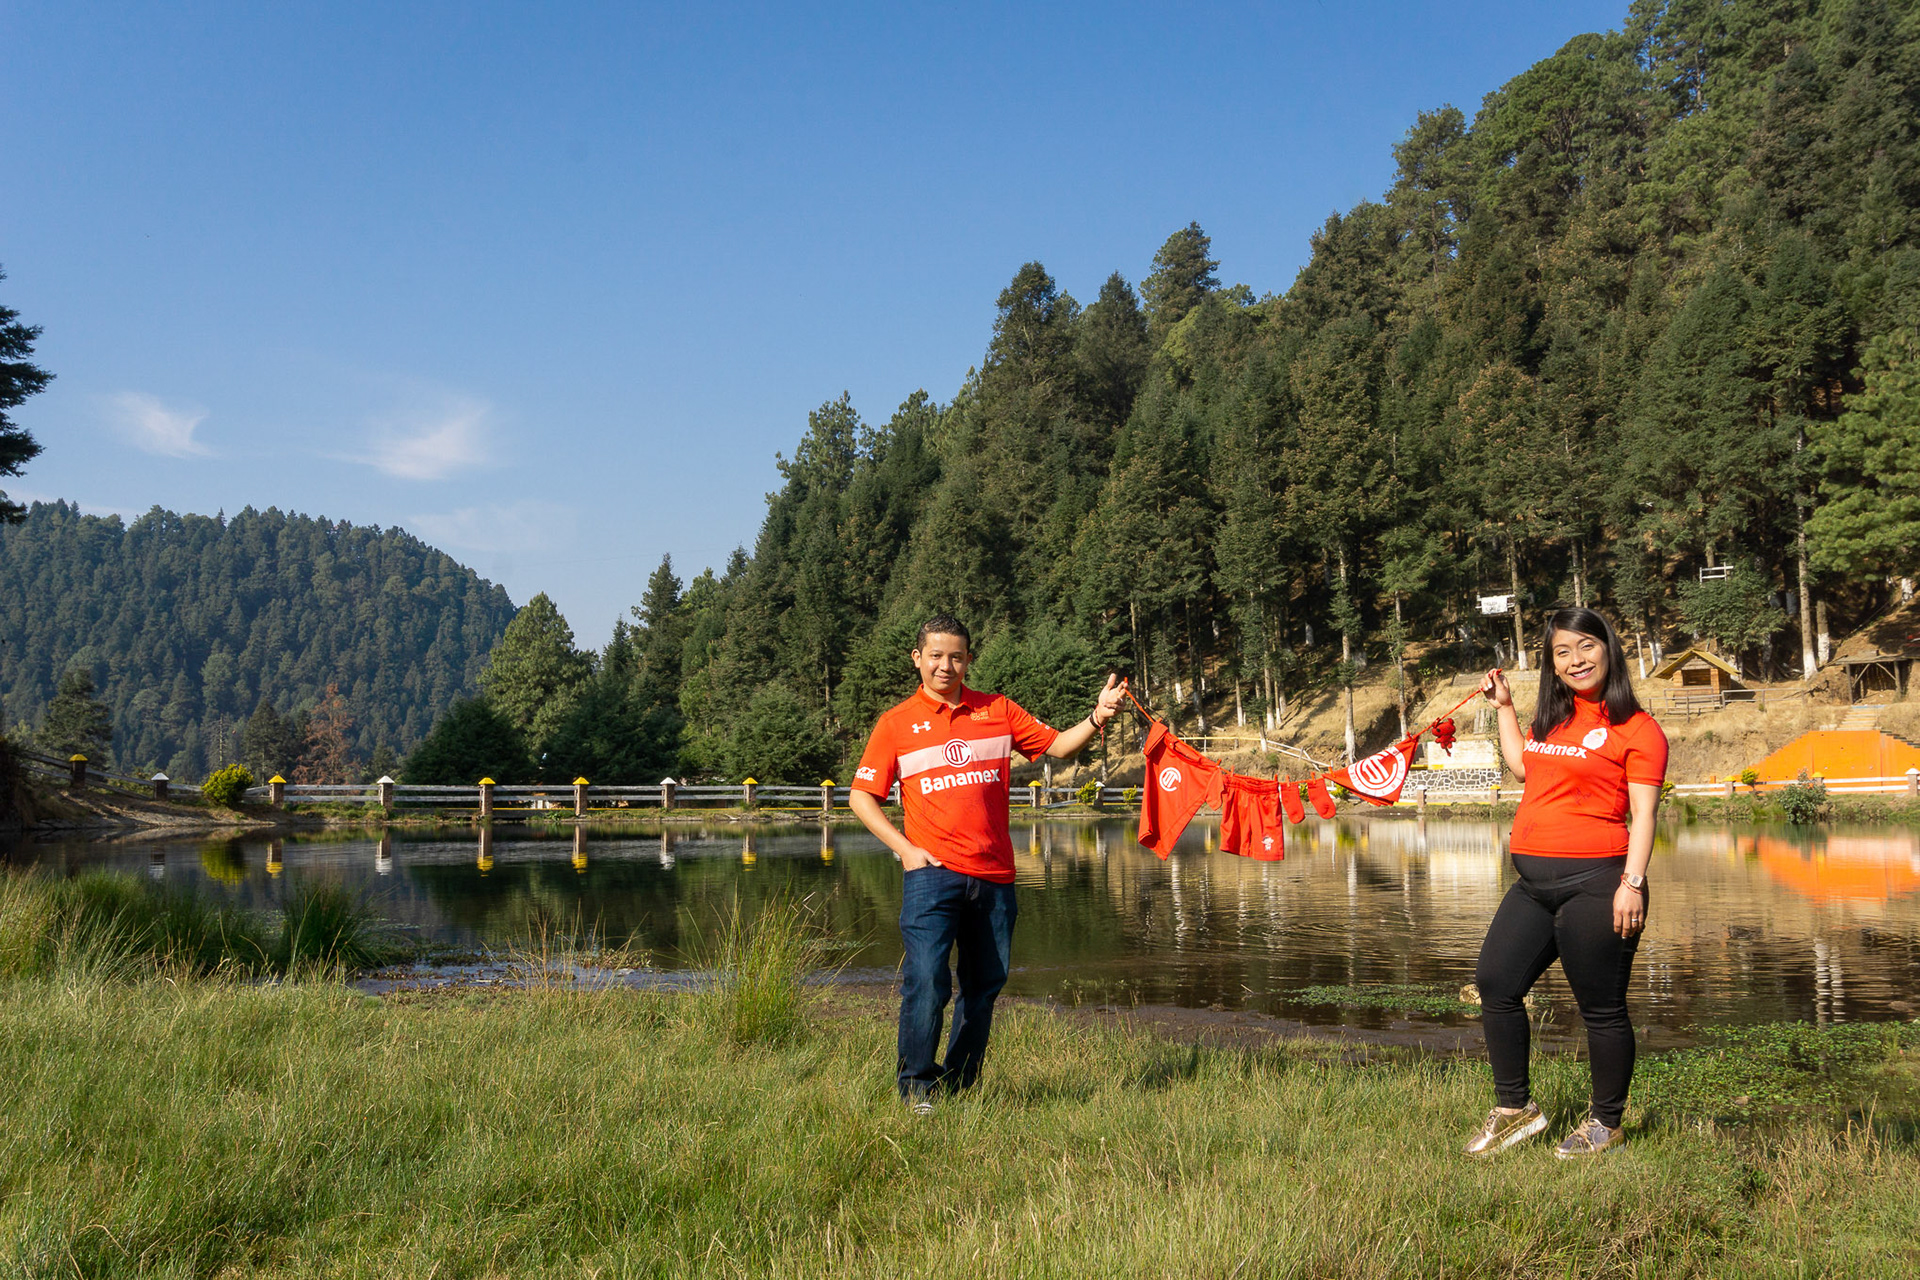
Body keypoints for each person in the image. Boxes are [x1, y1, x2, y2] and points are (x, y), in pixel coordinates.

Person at [848, 613, 1124, 1113]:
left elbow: (1057, 745)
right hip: (931, 874)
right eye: (935, 655)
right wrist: (905, 850)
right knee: (927, 981)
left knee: (982, 989)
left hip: (995, 876)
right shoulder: (895, 724)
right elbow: (861, 797)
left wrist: (1098, 715)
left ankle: (959, 1086)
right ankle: (916, 1089)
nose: (945, 666)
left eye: (956, 656)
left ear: (969, 659)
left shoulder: (998, 710)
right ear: (918, 658)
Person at [1465, 606, 1667, 1159]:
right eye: (1562, 652)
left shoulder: (1639, 729)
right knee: (1496, 982)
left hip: (1600, 883)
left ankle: (1607, 1124)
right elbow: (1524, 768)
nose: (1575, 660)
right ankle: (1515, 1109)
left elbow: (1645, 816)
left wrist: (1632, 882)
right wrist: (1505, 708)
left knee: (1600, 1007)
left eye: (1585, 646)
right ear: (1552, 665)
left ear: (1608, 649)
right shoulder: (1552, 721)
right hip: (1532, 884)